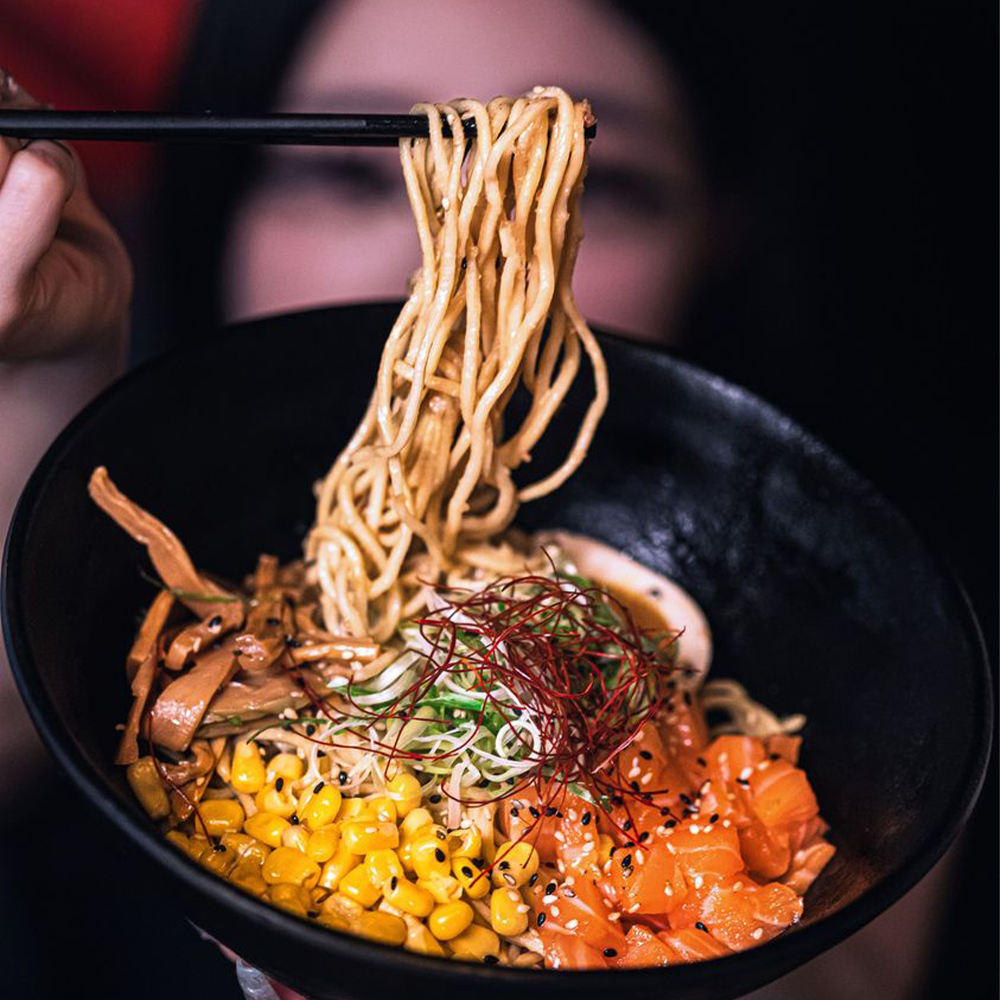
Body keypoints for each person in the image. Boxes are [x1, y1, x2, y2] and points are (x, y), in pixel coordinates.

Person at [0, 2, 990, 997]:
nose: (435, 261)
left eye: (595, 184)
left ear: (722, 230)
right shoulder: (154, 495)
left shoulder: (884, 610)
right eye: (345, 171)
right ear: (223, 198)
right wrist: (40, 394)